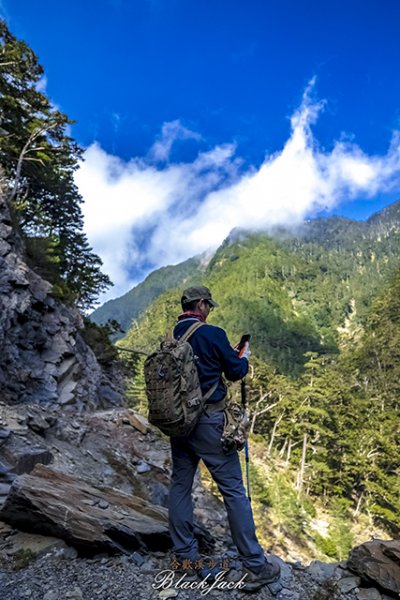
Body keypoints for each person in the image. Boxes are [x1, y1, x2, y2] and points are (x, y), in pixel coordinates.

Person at [168, 285, 281, 592]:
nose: (210, 311)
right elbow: (234, 372)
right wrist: (242, 358)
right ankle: (256, 566)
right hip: (209, 423)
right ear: (202, 304)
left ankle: (184, 559)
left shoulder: (171, 337)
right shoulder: (212, 333)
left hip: (180, 423)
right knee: (233, 491)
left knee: (180, 485)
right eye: (209, 306)